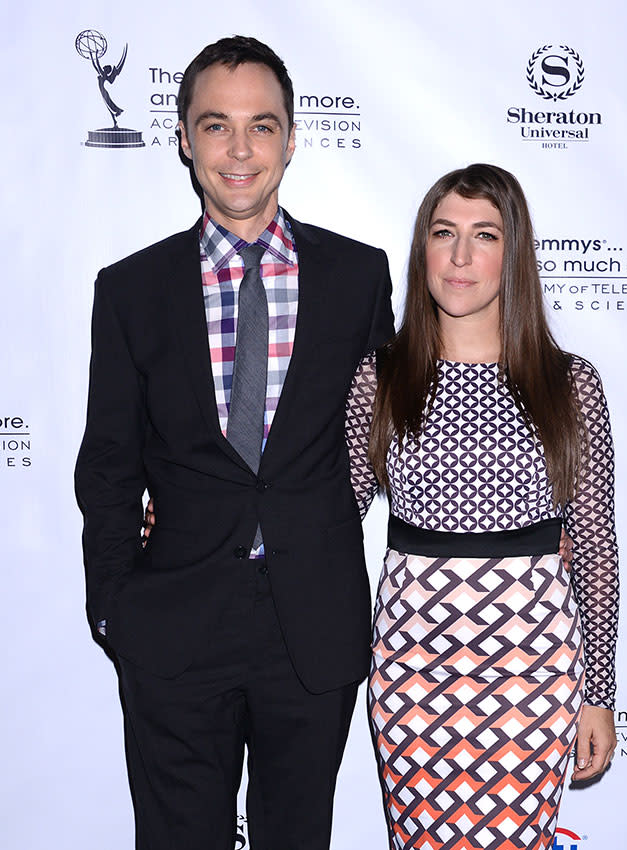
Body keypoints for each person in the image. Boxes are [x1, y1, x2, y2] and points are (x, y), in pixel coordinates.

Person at [74, 35, 394, 850]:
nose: (240, 150)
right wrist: (114, 603)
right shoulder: (131, 289)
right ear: (184, 137)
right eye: (216, 126)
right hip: (171, 624)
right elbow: (108, 464)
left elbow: (386, 439)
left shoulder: (359, 277)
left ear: (292, 137)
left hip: (311, 626)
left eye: (262, 125)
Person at [347, 164, 619, 850]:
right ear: (424, 252)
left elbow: (592, 546)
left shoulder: (569, 384)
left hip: (533, 666)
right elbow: (325, 515)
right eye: (444, 234)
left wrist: (601, 693)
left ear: (514, 253)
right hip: (413, 664)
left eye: (484, 235)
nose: (461, 257)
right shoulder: (379, 377)